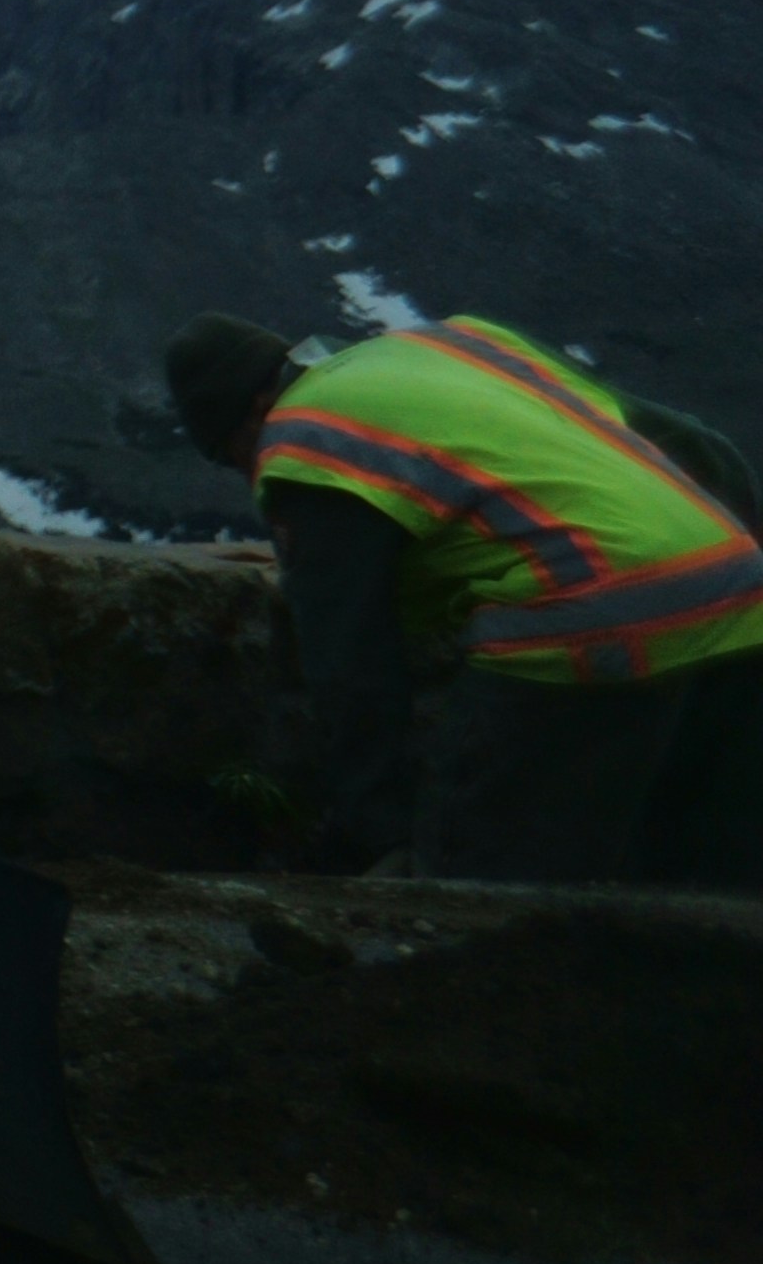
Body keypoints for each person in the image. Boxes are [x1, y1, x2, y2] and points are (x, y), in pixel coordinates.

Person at [166, 306, 763, 886]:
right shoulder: (453, 344)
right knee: (697, 882)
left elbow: (348, 659)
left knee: (473, 875)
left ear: (254, 413)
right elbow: (696, 444)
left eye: (234, 460)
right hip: (733, 592)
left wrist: (376, 830)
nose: (252, 479)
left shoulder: (306, 446)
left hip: (585, 615)